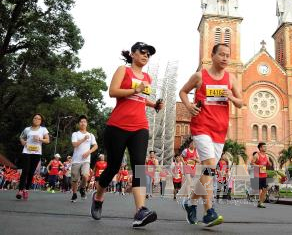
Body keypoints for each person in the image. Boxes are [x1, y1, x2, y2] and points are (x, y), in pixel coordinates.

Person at [90, 42, 164, 228]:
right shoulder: (123, 70)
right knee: (113, 167)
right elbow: (113, 92)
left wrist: (153, 105)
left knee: (139, 166)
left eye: (149, 54)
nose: (146, 56)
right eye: (143, 52)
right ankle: (98, 196)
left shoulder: (147, 77)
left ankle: (140, 210)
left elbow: (139, 98)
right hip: (118, 126)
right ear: (132, 54)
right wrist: (135, 89)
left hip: (140, 126)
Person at [179, 43, 243, 227]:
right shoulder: (200, 76)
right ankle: (209, 211)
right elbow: (183, 91)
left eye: (227, 55)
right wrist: (189, 106)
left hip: (219, 129)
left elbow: (240, 103)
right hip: (201, 126)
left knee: (210, 170)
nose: (225, 58)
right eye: (221, 54)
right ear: (213, 55)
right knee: (209, 165)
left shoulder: (231, 79)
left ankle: (190, 202)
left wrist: (231, 96)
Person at [17, 113, 50, 199]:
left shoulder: (43, 129)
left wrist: (40, 139)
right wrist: (22, 142)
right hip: (26, 151)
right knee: (25, 170)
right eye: (35, 118)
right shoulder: (27, 129)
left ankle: (26, 189)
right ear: (33, 119)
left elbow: (47, 140)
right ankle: (20, 190)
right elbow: (21, 137)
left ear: (41, 121)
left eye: (39, 119)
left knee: (31, 172)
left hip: (36, 153)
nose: (36, 120)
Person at [70, 115, 98, 202]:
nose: (83, 123)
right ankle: (74, 194)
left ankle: (82, 188)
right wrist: (83, 139)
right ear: (79, 124)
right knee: (75, 179)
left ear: (87, 124)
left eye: (84, 122)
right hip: (76, 160)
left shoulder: (90, 135)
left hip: (86, 160)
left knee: (85, 175)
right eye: (81, 122)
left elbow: (95, 146)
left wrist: (88, 152)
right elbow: (74, 144)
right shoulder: (75, 134)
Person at [251, 143, 271, 208]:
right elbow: (252, 163)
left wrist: (269, 163)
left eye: (266, 147)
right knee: (260, 189)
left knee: (265, 189)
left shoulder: (266, 156)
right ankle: (260, 202)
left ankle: (260, 202)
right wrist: (259, 166)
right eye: (264, 147)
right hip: (258, 175)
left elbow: (268, 164)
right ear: (260, 148)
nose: (265, 148)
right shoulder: (257, 155)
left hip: (264, 174)